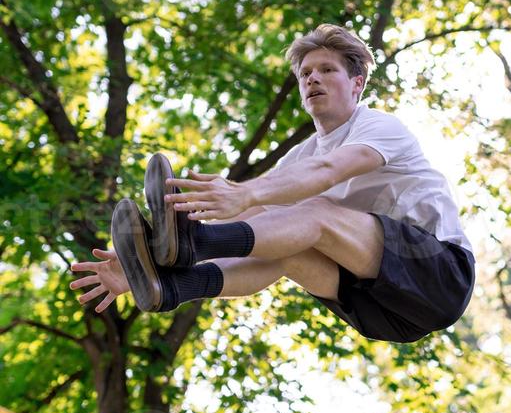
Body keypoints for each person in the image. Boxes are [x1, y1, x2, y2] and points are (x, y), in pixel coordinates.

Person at [70, 24, 474, 343]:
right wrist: (144, 264)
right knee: (285, 248)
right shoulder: (297, 159)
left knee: (312, 214)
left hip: (439, 275)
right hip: (381, 310)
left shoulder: (379, 127)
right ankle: (173, 289)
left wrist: (242, 192)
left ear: (357, 83)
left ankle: (193, 248)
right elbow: (255, 220)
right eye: (305, 73)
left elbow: (328, 171)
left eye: (327, 70)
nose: (313, 78)